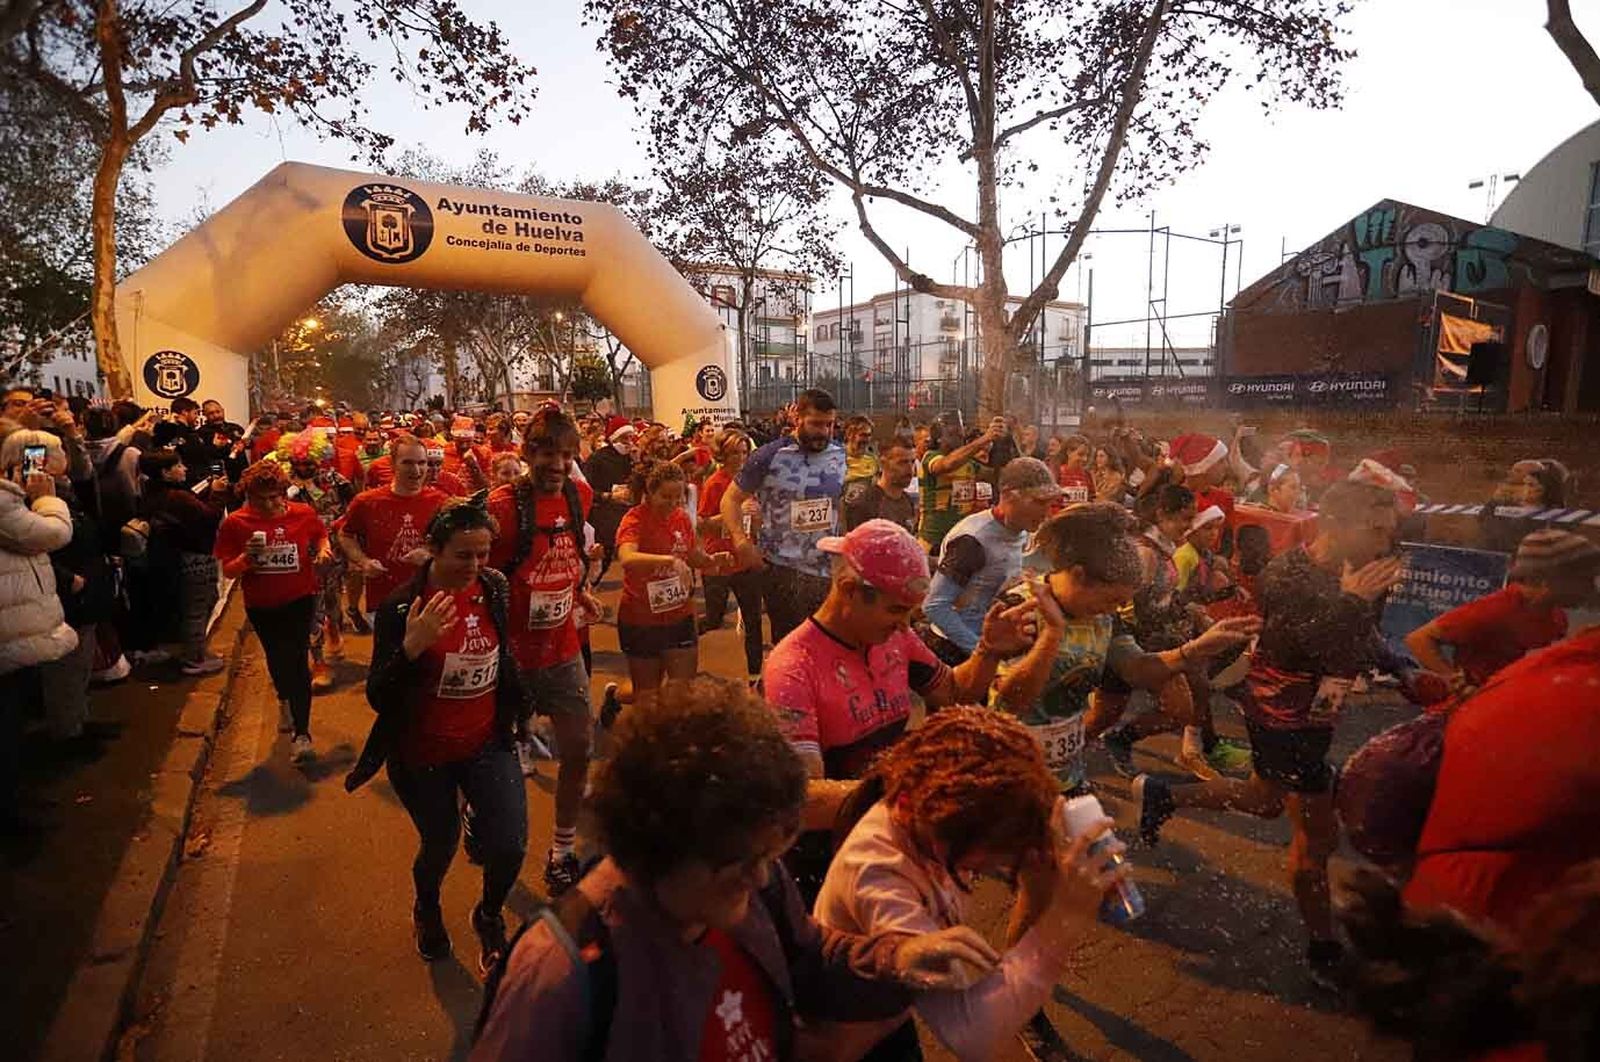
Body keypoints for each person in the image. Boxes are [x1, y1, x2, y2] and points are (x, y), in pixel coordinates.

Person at [472, 676, 1001, 1062]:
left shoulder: (755, 882)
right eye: (736, 866)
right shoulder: (561, 978)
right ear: (657, 844)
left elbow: (810, 953)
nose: (760, 878)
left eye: (768, 856)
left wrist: (900, 956)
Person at [1135, 481, 1448, 988]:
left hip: (1319, 713)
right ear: (1335, 526)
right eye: (1374, 530)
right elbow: (1308, 640)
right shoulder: (1287, 573)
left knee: (1262, 800)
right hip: (1283, 716)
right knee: (1317, 836)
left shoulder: (1361, 574)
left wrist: (1404, 668)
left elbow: (1360, 634)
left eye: (1389, 531)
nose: (1384, 542)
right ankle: (1324, 949)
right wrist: (1351, 599)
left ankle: (1163, 795)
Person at [815, 708, 1126, 1062]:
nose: (993, 863)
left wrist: (1042, 871)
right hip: (847, 1037)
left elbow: (978, 1016)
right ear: (907, 806)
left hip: (888, 1010)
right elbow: (970, 1033)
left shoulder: (937, 818)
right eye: (985, 853)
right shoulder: (879, 874)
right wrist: (1065, 918)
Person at [763, 519, 1035, 903]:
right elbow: (802, 800)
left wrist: (988, 650)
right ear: (849, 590)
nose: (905, 625)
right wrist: (917, 794)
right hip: (827, 867)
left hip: (888, 840)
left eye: (910, 612)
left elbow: (955, 691)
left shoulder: (897, 639)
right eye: (895, 610)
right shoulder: (793, 669)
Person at [347, 495, 531, 973]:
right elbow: (378, 695)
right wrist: (411, 646)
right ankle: (426, 905)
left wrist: (522, 710)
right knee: (441, 842)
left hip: (487, 741)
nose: (475, 565)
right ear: (433, 549)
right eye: (462, 554)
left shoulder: (493, 587)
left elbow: (502, 654)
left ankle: (489, 916)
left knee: (510, 843)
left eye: (483, 553)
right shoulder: (402, 606)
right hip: (422, 752)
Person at [989, 503, 1258, 794]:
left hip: (1066, 777)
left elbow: (1136, 668)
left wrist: (1198, 648)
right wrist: (1052, 635)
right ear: (1079, 575)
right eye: (1111, 599)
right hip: (1012, 776)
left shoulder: (1104, 616)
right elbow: (1011, 701)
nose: (1114, 609)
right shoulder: (1022, 608)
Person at [1403, 627, 1600, 939]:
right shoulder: (1572, 685)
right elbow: (1418, 639)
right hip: (1512, 925)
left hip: (1452, 908)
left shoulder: (1543, 669)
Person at [486, 408, 596, 897]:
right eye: (549, 453)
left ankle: (562, 850)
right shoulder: (502, 507)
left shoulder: (580, 495)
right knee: (497, 766)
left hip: (563, 649)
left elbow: (568, 557)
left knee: (579, 749)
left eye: (567, 454)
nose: (558, 464)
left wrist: (580, 592)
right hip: (509, 658)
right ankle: (481, 819)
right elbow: (478, 572)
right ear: (528, 452)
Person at [215, 460, 332, 763]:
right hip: (262, 605)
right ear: (248, 497)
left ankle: (302, 733)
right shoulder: (236, 523)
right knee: (277, 660)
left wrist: (323, 550)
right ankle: (283, 699)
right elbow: (228, 571)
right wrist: (245, 560)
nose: (269, 504)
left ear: (284, 492)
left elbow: (321, 534)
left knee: (296, 660)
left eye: (274, 497)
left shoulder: (303, 514)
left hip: (299, 598)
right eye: (260, 499)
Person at [721, 388, 846, 644]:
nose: (823, 431)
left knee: (826, 643)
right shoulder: (769, 455)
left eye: (829, 424)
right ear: (797, 418)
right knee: (790, 646)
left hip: (825, 570)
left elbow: (837, 504)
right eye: (815, 424)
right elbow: (730, 500)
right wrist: (741, 542)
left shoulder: (840, 454)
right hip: (782, 569)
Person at [0, 424, 78, 834]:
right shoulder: (8, 502)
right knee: (8, 724)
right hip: (9, 632)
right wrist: (45, 498)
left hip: (17, 626)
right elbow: (53, 533)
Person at [1405, 529, 1599, 691]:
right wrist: (1456, 683)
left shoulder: (1555, 615)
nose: (1591, 587)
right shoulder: (1497, 609)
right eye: (1583, 580)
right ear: (1546, 581)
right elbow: (1419, 639)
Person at [614, 460, 732, 710]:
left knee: (681, 695)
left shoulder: (680, 518)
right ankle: (614, 697)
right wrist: (669, 561)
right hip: (641, 619)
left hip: (680, 616)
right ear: (648, 493)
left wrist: (711, 561)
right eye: (665, 496)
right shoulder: (634, 520)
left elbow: (690, 555)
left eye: (678, 497)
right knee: (647, 698)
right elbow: (627, 558)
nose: (672, 503)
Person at [922, 457, 1060, 665]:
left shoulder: (1022, 531)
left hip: (994, 644)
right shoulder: (973, 540)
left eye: (1049, 503)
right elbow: (934, 605)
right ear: (1008, 495)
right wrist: (981, 650)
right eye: (1039, 502)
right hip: (955, 650)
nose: (1045, 512)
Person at [338, 436, 451, 626]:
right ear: (392, 464)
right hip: (384, 600)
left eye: (422, 463)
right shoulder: (367, 502)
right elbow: (345, 534)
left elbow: (454, 544)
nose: (416, 470)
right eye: (407, 463)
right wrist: (363, 561)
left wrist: (431, 554)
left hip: (430, 599)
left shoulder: (441, 502)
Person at [279, 430, 357, 691]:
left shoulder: (337, 480)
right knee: (312, 607)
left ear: (319, 459)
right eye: (298, 463)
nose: (303, 468)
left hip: (332, 553)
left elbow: (354, 509)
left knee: (332, 601)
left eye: (308, 463)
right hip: (299, 557)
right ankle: (319, 662)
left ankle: (333, 627)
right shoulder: (283, 486)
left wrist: (341, 526)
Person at [138, 451, 228, 674]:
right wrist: (217, 494)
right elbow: (208, 518)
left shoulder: (151, 493)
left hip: (170, 559)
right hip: (193, 558)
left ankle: (193, 652)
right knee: (197, 608)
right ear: (165, 473)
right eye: (178, 465)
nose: (185, 468)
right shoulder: (176, 497)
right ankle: (194, 659)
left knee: (190, 607)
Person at [698, 428, 766, 683]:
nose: (740, 458)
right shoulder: (714, 483)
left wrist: (756, 517)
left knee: (754, 621)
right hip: (719, 559)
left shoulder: (752, 482)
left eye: (744, 452)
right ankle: (682, 642)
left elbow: (757, 521)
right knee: (714, 619)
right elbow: (703, 525)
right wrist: (733, 512)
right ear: (722, 455)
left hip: (744, 559)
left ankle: (755, 677)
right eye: (733, 453)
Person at [918, 416, 1004, 557]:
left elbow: (996, 476)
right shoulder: (931, 457)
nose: (959, 437)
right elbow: (946, 465)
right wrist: (985, 438)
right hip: (933, 542)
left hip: (959, 540)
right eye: (953, 434)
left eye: (960, 433)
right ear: (939, 438)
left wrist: (1003, 443)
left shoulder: (968, 463)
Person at [581, 423, 636, 580]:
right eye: (624, 438)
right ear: (613, 438)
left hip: (625, 514)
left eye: (631, 438)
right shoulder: (597, 459)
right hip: (604, 516)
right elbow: (585, 490)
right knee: (602, 558)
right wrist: (607, 496)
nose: (628, 442)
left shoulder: (631, 458)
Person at [844, 433, 917, 535]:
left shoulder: (907, 501)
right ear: (883, 463)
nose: (910, 469)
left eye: (912, 462)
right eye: (902, 463)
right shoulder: (864, 505)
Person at [841, 415, 879, 512]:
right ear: (849, 434)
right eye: (863, 435)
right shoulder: (837, 458)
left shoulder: (872, 459)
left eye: (869, 435)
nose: (867, 440)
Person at [1054, 435, 1093, 505]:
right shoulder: (1057, 473)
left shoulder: (1087, 475)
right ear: (1069, 452)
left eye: (1086, 455)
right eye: (1080, 454)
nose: (1085, 459)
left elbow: (1091, 499)